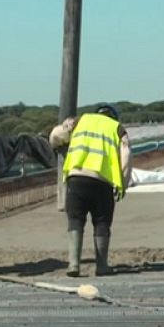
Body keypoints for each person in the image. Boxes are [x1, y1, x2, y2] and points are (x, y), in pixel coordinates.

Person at [49, 103, 133, 277]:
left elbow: (55, 136)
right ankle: (102, 266)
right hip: (103, 181)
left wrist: (62, 132)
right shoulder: (117, 129)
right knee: (102, 222)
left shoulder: (80, 121)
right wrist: (122, 184)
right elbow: (126, 155)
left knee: (75, 220)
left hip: (76, 178)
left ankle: (73, 264)